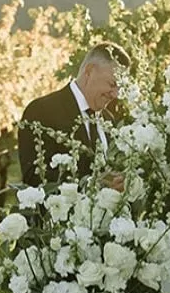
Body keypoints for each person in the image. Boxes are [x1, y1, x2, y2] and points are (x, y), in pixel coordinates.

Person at [17, 43, 129, 187]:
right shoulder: (41, 111)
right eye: (112, 84)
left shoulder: (108, 120)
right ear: (89, 71)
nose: (116, 94)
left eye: (120, 87)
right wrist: (93, 186)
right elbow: (34, 179)